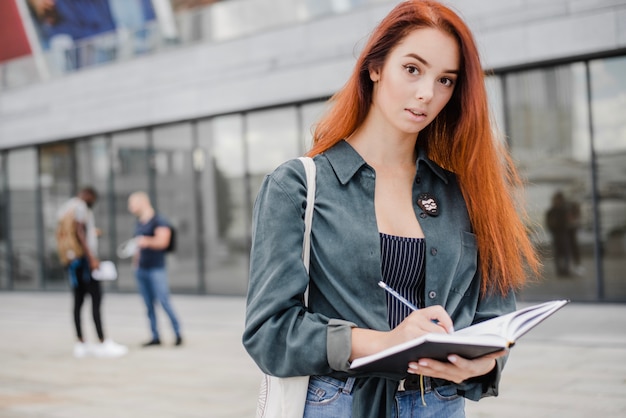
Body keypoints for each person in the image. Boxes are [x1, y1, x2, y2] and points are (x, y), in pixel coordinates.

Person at [242, 1, 540, 417]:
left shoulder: (465, 193)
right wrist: (384, 342)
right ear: (375, 67)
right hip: (338, 404)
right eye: (413, 69)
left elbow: (493, 316)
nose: (426, 94)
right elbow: (269, 332)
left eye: (446, 80)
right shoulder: (298, 186)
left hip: (438, 404)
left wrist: (483, 362)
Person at [57, 186, 128, 358]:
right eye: (93, 199)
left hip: (71, 260)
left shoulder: (66, 207)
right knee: (96, 298)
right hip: (83, 262)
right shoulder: (81, 207)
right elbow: (79, 231)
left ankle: (81, 343)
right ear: (88, 195)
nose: (92, 202)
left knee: (78, 301)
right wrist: (92, 258)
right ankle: (103, 342)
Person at [127, 191, 182, 347]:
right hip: (141, 269)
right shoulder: (139, 223)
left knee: (164, 301)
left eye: (132, 203)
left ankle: (177, 333)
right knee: (148, 305)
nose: (130, 207)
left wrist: (146, 241)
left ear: (142, 202)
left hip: (156, 269)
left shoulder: (159, 220)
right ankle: (155, 336)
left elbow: (163, 242)